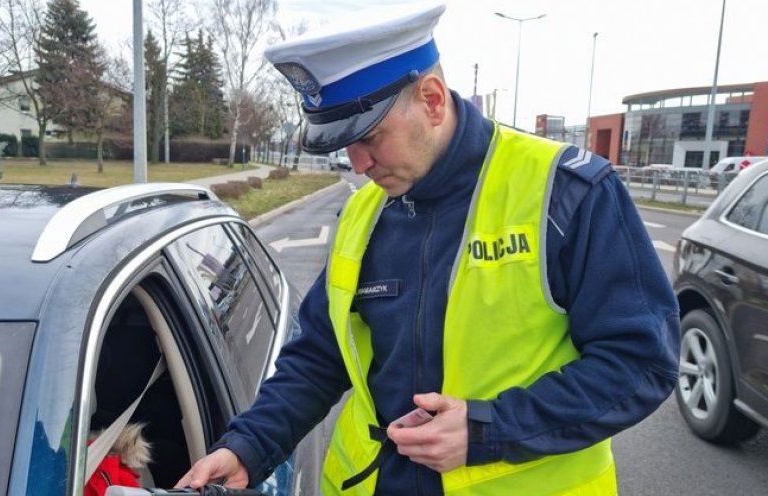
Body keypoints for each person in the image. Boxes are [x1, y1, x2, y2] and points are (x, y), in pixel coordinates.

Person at [177, 2, 679, 494]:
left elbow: (640, 362)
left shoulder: (566, 194)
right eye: (343, 146)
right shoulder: (364, 213)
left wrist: (489, 429)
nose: (357, 165)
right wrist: (249, 446)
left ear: (433, 100)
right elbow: (319, 357)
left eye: (370, 137)